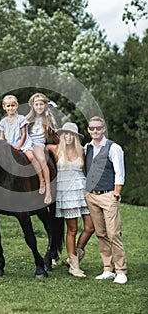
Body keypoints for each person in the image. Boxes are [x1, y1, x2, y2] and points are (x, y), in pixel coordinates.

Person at [47, 122, 95, 277]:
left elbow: (87, 171)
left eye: (70, 134)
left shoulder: (82, 151)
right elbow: (37, 149)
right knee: (72, 229)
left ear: (75, 137)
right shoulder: (54, 149)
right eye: (65, 134)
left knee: (90, 226)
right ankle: (74, 266)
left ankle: (76, 254)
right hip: (65, 192)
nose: (67, 137)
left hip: (82, 191)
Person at [85, 116, 127, 284]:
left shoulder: (113, 147)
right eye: (92, 128)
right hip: (92, 196)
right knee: (101, 233)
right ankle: (107, 269)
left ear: (103, 129)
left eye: (98, 128)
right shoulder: (87, 148)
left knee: (113, 233)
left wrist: (116, 194)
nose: (95, 131)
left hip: (108, 195)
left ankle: (121, 271)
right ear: (88, 130)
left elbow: (119, 172)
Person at [0, 94, 46, 197]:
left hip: (23, 144)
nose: (11, 108)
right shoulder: (3, 122)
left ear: (17, 106)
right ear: (4, 107)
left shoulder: (21, 119)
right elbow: (1, 137)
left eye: (13, 105)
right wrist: (2, 147)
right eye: (8, 106)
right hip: (9, 145)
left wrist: (19, 146)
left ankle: (41, 180)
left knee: (31, 157)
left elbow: (23, 134)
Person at [27, 93, 58, 204]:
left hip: (38, 143)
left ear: (45, 106)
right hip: (28, 143)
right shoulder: (29, 119)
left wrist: (49, 114)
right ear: (33, 106)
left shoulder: (47, 120)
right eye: (36, 104)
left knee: (42, 160)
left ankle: (48, 190)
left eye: (41, 104)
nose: (39, 107)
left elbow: (55, 131)